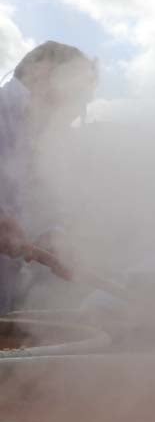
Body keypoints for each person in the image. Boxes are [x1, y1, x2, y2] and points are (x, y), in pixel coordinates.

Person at [0, 41, 97, 310]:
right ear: (41, 73)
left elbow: (41, 207)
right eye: (78, 93)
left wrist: (53, 237)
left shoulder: (39, 136)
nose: (78, 110)